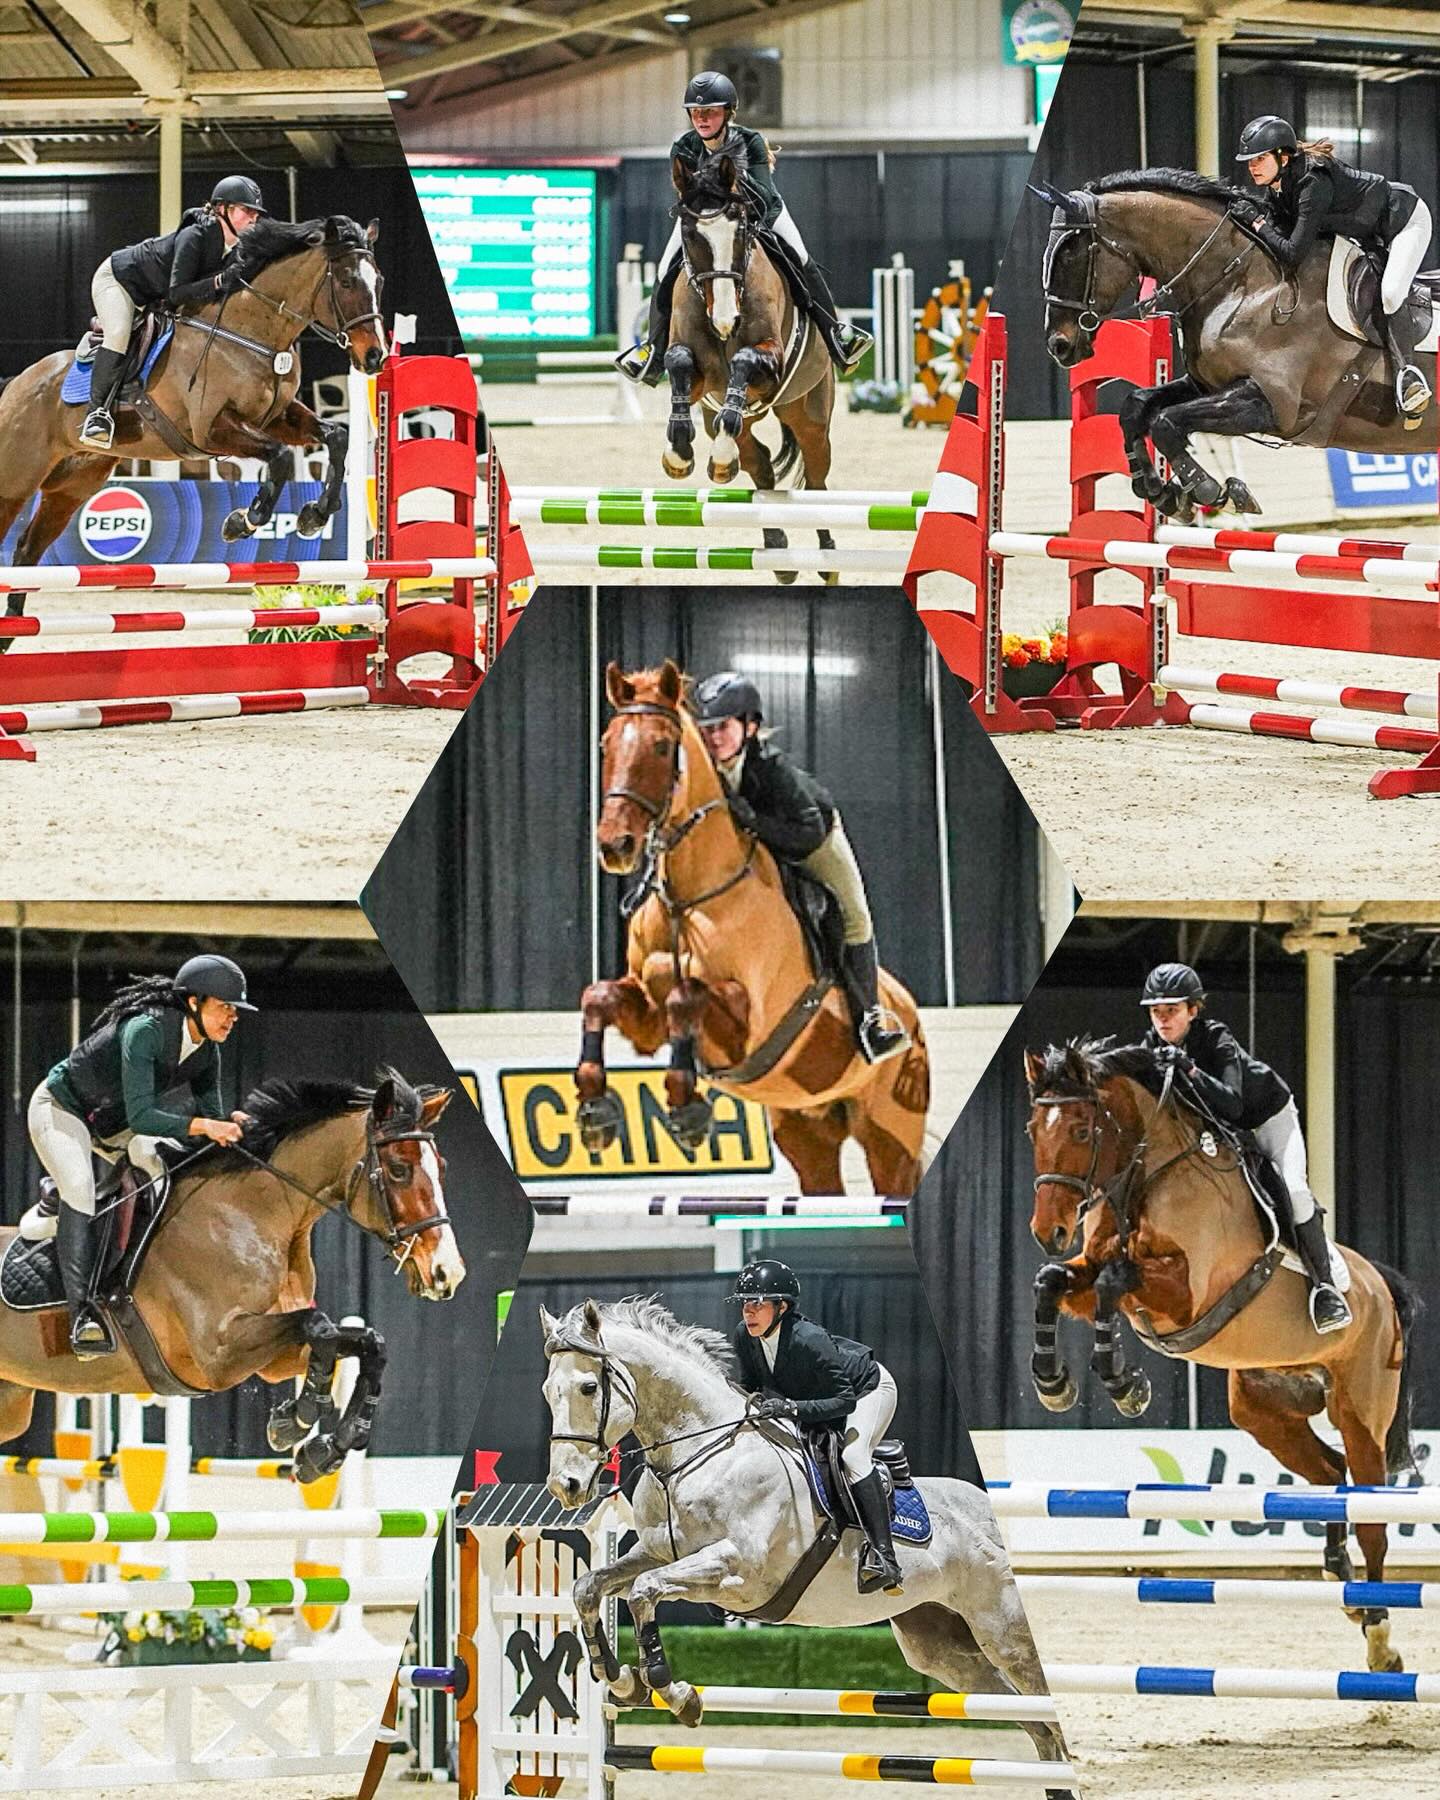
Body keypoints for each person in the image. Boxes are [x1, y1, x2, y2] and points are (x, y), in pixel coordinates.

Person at [25, 953, 257, 1358]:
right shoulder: (145, 1030)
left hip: (111, 1124)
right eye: (225, 1007)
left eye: (235, 1011)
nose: (232, 1017)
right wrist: (207, 1126)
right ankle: (83, 1318)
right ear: (194, 1002)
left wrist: (233, 1123)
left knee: (161, 1169)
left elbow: (211, 1120)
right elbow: (143, 1116)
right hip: (62, 1109)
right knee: (79, 1186)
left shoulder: (207, 1052)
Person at [690, 670, 910, 1066]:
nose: (713, 738)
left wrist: (752, 821)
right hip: (756, 846)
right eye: (706, 729)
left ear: (749, 726)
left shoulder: (773, 770)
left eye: (722, 727)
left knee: (855, 917)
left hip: (813, 840)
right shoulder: (702, 769)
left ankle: (871, 1019)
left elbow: (807, 834)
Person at [617, 70, 872, 385]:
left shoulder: (749, 141)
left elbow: (763, 194)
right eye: (696, 112)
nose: (702, 119)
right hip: (705, 220)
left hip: (762, 213)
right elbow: (687, 194)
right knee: (664, 268)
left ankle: (837, 337)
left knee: (800, 256)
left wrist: (732, 181)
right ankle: (653, 352)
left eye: (710, 111)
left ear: (728, 113)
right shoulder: (683, 147)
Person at [1139, 960, 1352, 1334]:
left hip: (1266, 1117)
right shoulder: (1151, 1047)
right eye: (1156, 1011)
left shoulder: (1216, 1039)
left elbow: (1233, 1105)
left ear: (1193, 1010)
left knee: (1294, 1190)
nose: (1163, 1020)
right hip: (1223, 1133)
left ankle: (1326, 1289)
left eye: (1172, 1010)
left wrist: (1190, 1069)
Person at [1231, 116, 1433, 419]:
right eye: (1249, 161)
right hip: (1369, 234)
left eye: (1259, 158)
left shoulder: (1313, 183)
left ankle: (1408, 376)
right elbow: (1275, 238)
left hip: (1404, 221)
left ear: (1282, 157)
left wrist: (1257, 223)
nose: (1252, 166)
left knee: (1391, 293)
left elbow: (1291, 252)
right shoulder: (1278, 188)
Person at [729, 1258, 902, 1594]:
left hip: (868, 1390)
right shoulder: (744, 1336)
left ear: (782, 1307)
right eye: (744, 1303)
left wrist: (791, 1408)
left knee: (853, 1457)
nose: (748, 1311)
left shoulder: (808, 1338)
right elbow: (751, 1386)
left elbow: (845, 1401)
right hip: (820, 1398)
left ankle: (885, 1558)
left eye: (757, 1303)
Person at [79, 174, 269, 450]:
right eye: (246, 210)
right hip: (119, 281)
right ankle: (96, 414)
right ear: (222, 209)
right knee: (119, 333)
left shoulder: (233, 249)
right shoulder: (195, 236)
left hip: (151, 295)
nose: (254, 218)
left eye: (256, 213)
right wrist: (219, 281)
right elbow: (177, 293)